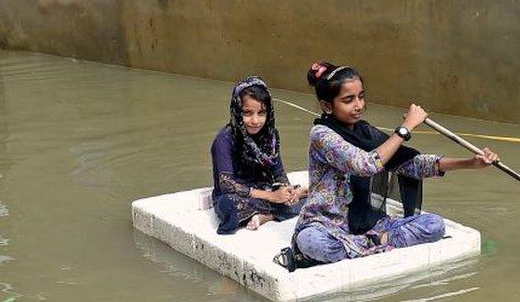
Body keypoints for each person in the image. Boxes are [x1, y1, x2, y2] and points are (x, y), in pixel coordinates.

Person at [291, 62, 498, 264]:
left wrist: (471, 163)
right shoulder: (321, 135)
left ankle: (367, 244)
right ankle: (375, 245)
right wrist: (405, 128)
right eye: (348, 100)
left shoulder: (366, 132)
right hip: (326, 225)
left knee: (434, 225)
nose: (359, 106)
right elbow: (365, 165)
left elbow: (412, 165)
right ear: (327, 105)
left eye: (361, 97)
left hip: (370, 224)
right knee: (311, 242)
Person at [211, 76, 308, 234]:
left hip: (265, 189)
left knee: (315, 199)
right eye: (248, 113)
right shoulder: (224, 139)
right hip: (238, 195)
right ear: (237, 110)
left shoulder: (271, 136)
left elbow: (278, 172)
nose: (255, 120)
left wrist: (287, 191)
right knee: (228, 206)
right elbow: (227, 185)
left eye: (261, 113)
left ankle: (266, 216)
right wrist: (272, 197)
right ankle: (276, 210)